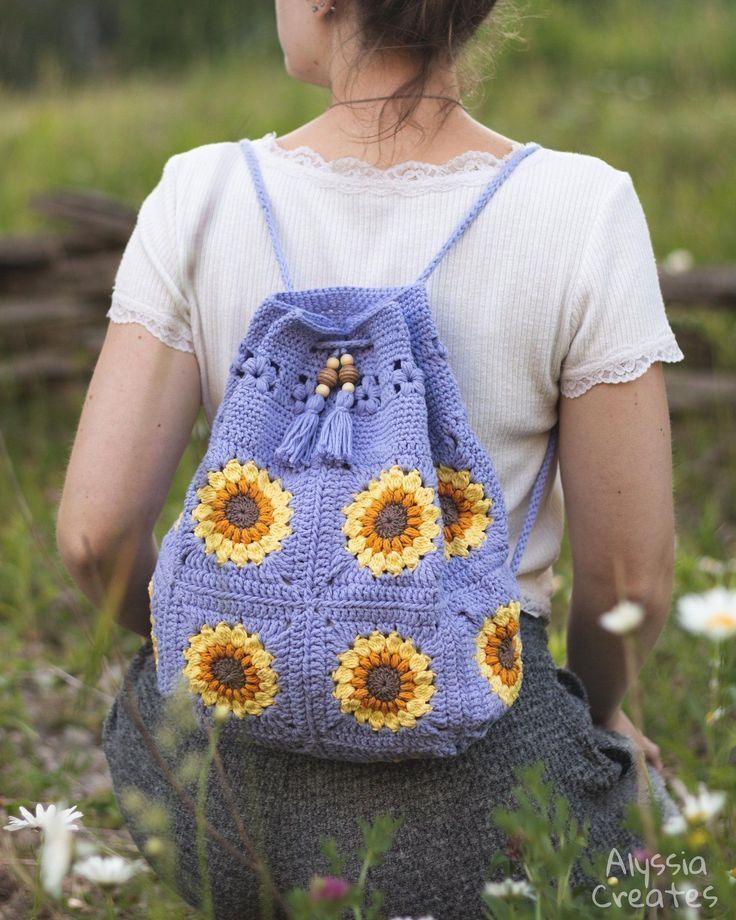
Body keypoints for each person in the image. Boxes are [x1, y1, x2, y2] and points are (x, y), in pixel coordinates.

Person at [57, 1, 684, 916]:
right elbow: (633, 581)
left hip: (219, 798)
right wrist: (598, 721)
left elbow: (91, 535)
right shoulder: (582, 211)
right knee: (664, 851)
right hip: (488, 797)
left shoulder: (198, 195)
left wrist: (227, 648)